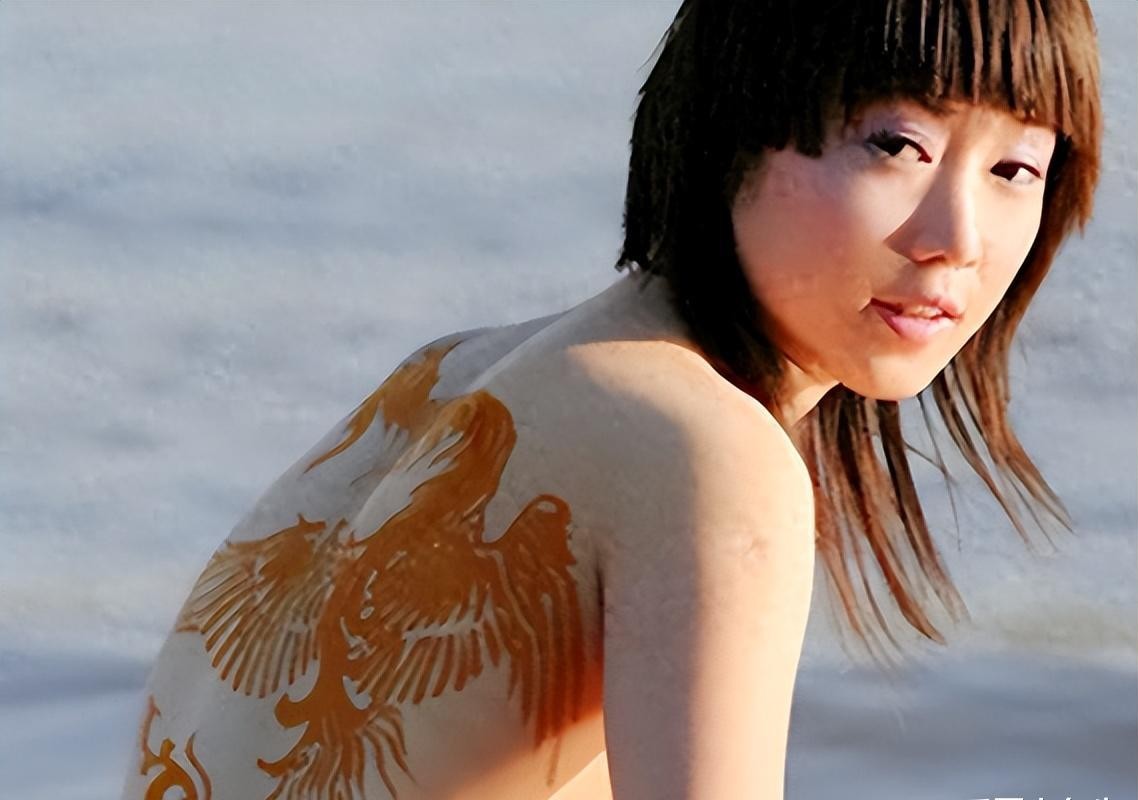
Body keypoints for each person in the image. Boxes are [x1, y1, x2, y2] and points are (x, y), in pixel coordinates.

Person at [121, 1, 1102, 798]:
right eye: (895, 145)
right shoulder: (705, 450)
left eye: (1015, 168)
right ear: (735, 121)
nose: (957, 238)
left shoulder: (448, 374)